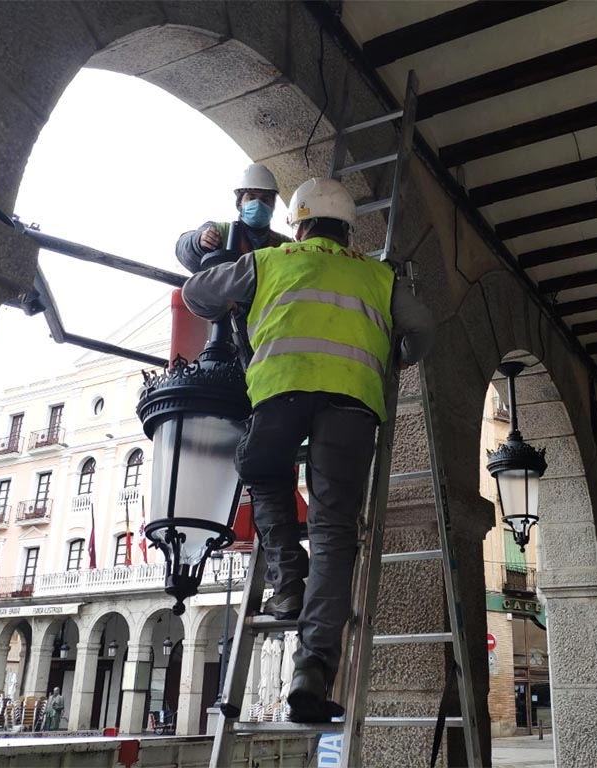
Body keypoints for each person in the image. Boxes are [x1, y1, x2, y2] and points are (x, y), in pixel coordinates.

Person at [181, 177, 434, 722]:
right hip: (353, 407)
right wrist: (399, 353)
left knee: (261, 468)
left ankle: (286, 583)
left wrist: (237, 297)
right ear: (347, 228)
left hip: (279, 393)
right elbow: (422, 328)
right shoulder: (377, 273)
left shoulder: (271, 262)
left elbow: (195, 293)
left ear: (297, 223)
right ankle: (313, 668)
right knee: (335, 529)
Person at [175, 163, 292, 273]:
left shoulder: (284, 243)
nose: (258, 204)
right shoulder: (220, 231)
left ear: (273, 205)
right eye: (251, 198)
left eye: (265, 199)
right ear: (240, 203)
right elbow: (182, 248)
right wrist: (197, 242)